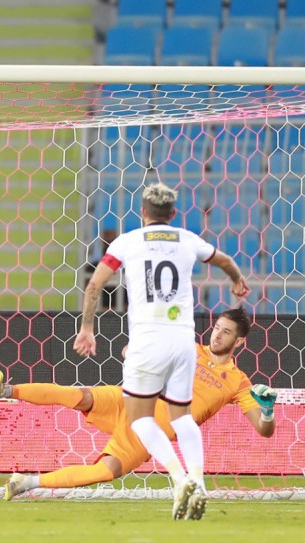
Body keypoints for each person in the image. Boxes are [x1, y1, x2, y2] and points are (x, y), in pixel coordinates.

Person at [0, 307, 277, 512]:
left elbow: (264, 431)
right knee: (78, 396)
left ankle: (26, 482)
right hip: (132, 400)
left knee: (105, 471)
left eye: (226, 332)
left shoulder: (239, 382)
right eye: (216, 328)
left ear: (239, 341)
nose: (216, 335)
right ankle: (4, 390)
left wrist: (267, 412)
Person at [73, 183, 250, 520]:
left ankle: (179, 477)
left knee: (140, 418)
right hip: (184, 340)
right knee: (181, 417)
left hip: (146, 340)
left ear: (142, 212)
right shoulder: (186, 239)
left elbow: (95, 284)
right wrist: (237, 281)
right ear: (172, 214)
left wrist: (87, 329)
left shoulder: (128, 242)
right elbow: (224, 260)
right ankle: (198, 481)